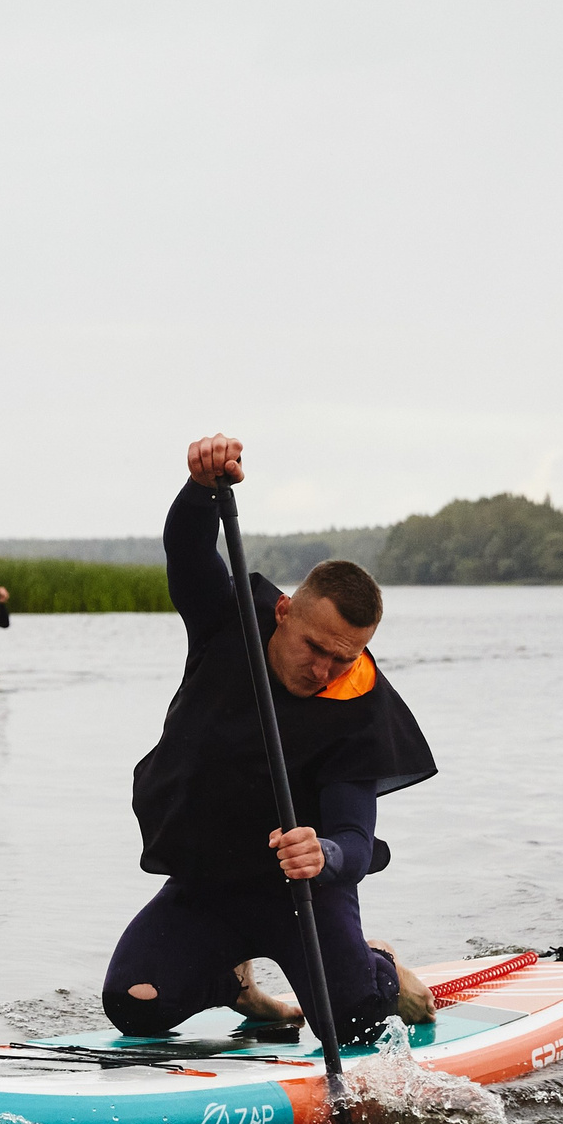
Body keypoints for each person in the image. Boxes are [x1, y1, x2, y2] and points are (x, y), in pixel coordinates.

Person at [104, 434, 439, 1042]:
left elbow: (357, 842)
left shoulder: (356, 701)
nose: (324, 671)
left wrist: (324, 853)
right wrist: (203, 489)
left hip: (301, 896)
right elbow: (186, 549)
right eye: (315, 649)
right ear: (285, 612)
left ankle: (380, 966)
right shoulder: (227, 619)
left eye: (344, 658)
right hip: (209, 880)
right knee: (134, 1003)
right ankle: (239, 988)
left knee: (356, 1025)